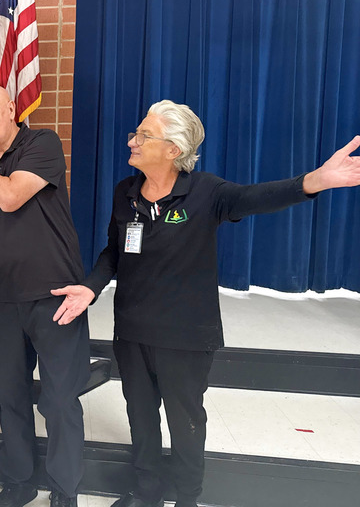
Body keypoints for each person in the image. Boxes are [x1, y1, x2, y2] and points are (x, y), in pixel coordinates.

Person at [51, 100, 360, 507]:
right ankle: (146, 493)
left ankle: (187, 497)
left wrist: (314, 180)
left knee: (186, 423)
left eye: (144, 135)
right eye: (136, 133)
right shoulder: (125, 193)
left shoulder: (206, 193)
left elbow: (255, 197)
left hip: (186, 337)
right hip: (132, 330)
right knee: (141, 420)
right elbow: (114, 251)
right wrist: (90, 288)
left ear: (173, 150)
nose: (133, 140)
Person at [0, 84, 90, 507]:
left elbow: (11, 197)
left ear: (12, 108)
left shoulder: (41, 142)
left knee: (60, 400)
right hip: (5, 297)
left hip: (55, 294)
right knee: (10, 395)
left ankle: (64, 489)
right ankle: (19, 480)